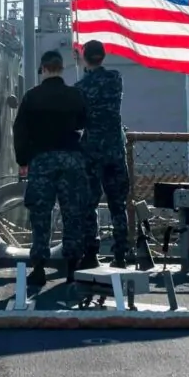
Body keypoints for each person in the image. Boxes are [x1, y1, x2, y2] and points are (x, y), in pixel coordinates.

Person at [13, 49, 90, 287]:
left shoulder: (32, 97)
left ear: (44, 69)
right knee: (72, 213)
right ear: (61, 69)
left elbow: (20, 130)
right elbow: (84, 122)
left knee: (40, 213)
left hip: (42, 159)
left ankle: (38, 268)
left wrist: (23, 160)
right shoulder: (75, 95)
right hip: (71, 157)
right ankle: (72, 267)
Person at [75, 40, 130, 269]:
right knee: (118, 204)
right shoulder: (115, 78)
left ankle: (91, 252)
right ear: (103, 56)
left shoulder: (81, 87)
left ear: (85, 57)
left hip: (92, 151)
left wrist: (82, 67)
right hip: (115, 149)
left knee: (90, 203)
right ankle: (121, 255)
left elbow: (79, 119)